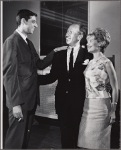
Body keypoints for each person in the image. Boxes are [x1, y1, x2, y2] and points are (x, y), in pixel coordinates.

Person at [3, 9, 67, 149]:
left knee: (24, 138)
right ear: (23, 21)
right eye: (33, 22)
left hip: (30, 100)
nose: (36, 25)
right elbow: (9, 75)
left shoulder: (28, 43)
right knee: (15, 140)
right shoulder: (11, 42)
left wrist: (54, 52)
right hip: (19, 101)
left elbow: (39, 64)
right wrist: (15, 104)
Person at [39, 23, 93, 148]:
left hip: (80, 102)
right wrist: (32, 79)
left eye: (70, 32)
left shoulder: (88, 55)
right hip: (62, 101)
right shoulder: (59, 55)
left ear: (80, 36)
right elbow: (51, 77)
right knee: (65, 136)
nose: (66, 34)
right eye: (66, 32)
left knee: (77, 135)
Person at [77, 28, 119, 149]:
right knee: (84, 142)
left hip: (102, 107)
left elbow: (115, 88)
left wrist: (113, 110)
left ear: (100, 43)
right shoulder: (89, 62)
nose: (87, 43)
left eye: (90, 41)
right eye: (87, 41)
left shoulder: (107, 63)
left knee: (98, 144)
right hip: (87, 106)